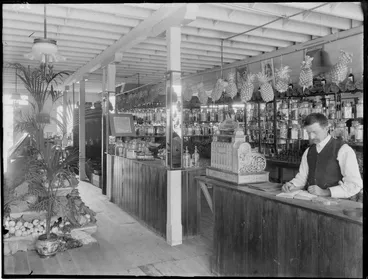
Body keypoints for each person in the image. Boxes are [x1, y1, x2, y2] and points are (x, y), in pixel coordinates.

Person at [281, 113, 362, 199]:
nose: (311, 137)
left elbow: (355, 184)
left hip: (337, 205)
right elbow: (302, 177)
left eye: (315, 132)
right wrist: (292, 185)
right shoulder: (309, 151)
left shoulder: (343, 150)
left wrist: (326, 192)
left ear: (326, 128)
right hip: (313, 203)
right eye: (308, 133)